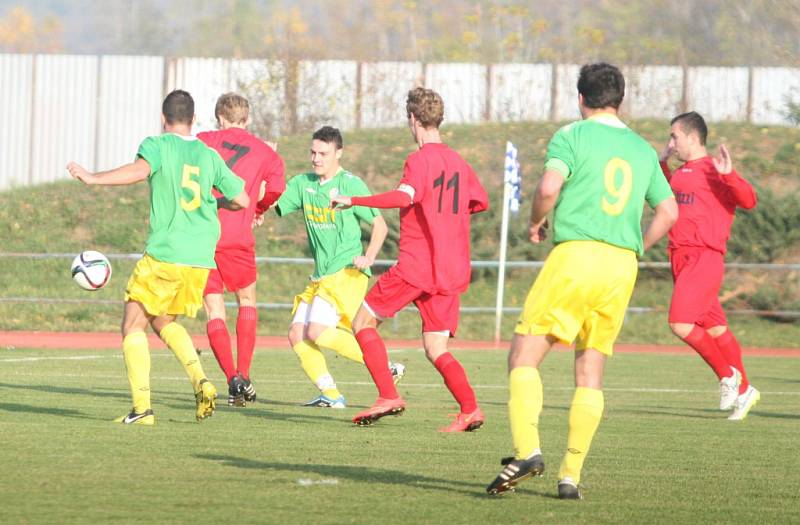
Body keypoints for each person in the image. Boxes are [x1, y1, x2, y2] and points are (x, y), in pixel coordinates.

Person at [485, 63, 678, 499]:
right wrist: (636, 247)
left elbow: (549, 187)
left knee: (522, 357)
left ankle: (527, 450)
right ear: (620, 101)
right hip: (620, 266)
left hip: (577, 256)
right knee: (590, 370)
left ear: (580, 99)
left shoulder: (572, 135)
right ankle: (570, 476)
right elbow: (669, 213)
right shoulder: (643, 150)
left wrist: (537, 222)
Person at [66, 89, 249, 425]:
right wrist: (216, 203)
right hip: (200, 259)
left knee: (131, 325)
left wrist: (94, 178)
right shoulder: (209, 155)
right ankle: (202, 382)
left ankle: (142, 410)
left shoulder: (158, 144)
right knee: (163, 321)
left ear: (164, 119)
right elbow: (243, 199)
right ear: (194, 120)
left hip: (168, 252)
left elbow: (138, 171)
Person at [330, 87, 490, 432]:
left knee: (362, 323)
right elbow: (480, 202)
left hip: (417, 266)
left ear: (413, 119)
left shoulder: (419, 161)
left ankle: (388, 395)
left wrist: (354, 200)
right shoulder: (460, 163)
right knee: (436, 347)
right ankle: (470, 410)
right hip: (451, 269)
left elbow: (404, 198)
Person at [275, 126, 401, 409]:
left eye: (323, 153)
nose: (316, 158)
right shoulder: (303, 184)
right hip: (322, 275)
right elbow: (272, 202)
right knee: (297, 333)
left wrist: (368, 256)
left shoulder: (350, 184)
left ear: (338, 154)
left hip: (346, 271)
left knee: (316, 330)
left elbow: (379, 225)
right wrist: (266, 169)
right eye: (313, 152)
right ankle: (331, 395)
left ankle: (386, 365)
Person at [659, 111, 759, 421]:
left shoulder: (715, 170)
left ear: (692, 137)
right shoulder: (681, 172)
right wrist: (662, 163)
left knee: (680, 323)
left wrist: (730, 174)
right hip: (680, 257)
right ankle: (745, 392)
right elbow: (666, 194)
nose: (671, 142)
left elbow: (749, 200)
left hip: (704, 256)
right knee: (715, 328)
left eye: (675, 136)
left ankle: (727, 376)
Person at [197, 93, 286, 407]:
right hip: (237, 237)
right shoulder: (265, 152)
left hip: (203, 237)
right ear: (247, 119)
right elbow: (276, 188)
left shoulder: (202, 140)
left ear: (220, 118)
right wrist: (259, 208)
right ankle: (244, 374)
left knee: (214, 310)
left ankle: (231, 378)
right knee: (246, 301)